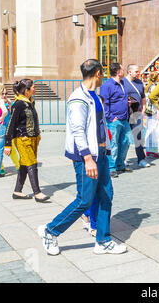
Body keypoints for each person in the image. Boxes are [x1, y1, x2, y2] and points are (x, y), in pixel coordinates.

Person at [38, 59, 127, 256]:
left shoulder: (94, 96)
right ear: (97, 73)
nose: (103, 76)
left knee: (106, 195)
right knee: (84, 200)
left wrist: (106, 149)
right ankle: (50, 231)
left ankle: (103, 240)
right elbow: (78, 130)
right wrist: (87, 158)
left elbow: (99, 126)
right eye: (102, 73)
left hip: (100, 154)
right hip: (86, 156)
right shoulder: (78, 98)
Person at [4, 79, 49, 202]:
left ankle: (17, 191)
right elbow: (11, 125)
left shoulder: (30, 102)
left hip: (32, 139)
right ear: (26, 90)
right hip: (22, 139)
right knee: (32, 164)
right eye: (33, 87)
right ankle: (37, 193)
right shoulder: (18, 104)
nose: (35, 89)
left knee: (24, 164)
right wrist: (8, 144)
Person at [99, 63, 132, 178]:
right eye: (123, 69)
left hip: (124, 118)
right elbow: (104, 102)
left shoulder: (122, 83)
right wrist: (110, 117)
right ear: (118, 72)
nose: (124, 71)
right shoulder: (107, 85)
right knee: (113, 144)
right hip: (114, 120)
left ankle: (120, 164)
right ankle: (111, 168)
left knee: (126, 141)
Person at [122, 64, 151, 168]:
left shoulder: (139, 83)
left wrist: (143, 109)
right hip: (126, 113)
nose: (139, 73)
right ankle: (122, 159)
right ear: (130, 72)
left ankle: (141, 159)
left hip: (137, 113)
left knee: (138, 136)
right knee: (124, 137)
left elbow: (143, 96)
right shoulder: (123, 82)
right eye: (136, 71)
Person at [144, 71, 159, 158]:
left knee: (150, 130)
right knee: (155, 130)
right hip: (153, 111)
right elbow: (155, 100)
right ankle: (152, 150)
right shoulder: (154, 87)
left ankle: (149, 150)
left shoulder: (147, 87)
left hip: (149, 111)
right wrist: (158, 111)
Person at [0, 87, 20, 175]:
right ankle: (0, 168)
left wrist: (10, 105)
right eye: (2, 94)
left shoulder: (9, 103)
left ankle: (18, 166)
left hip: (8, 129)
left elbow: (13, 114)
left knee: (12, 150)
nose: (4, 96)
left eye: (6, 93)